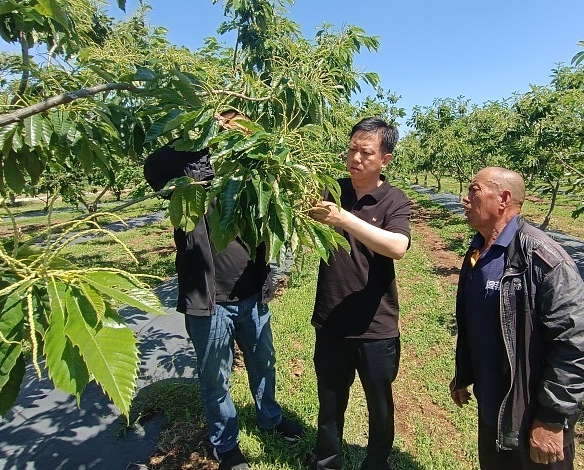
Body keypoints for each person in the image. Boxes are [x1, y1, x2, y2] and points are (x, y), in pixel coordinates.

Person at [143, 114, 303, 470]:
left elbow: (280, 207)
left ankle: (270, 418)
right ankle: (225, 443)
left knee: (264, 363)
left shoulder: (251, 167)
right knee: (216, 376)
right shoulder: (189, 172)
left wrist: (250, 132)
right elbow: (152, 168)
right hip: (209, 298)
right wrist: (198, 134)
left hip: (251, 294)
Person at [449, 167, 584, 470]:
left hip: (532, 418)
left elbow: (573, 345)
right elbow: (474, 324)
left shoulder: (542, 258)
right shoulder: (478, 251)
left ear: (502, 199)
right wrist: (464, 375)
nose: (465, 198)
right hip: (495, 413)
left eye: (473, 190)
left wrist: (552, 419)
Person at [307, 117, 412, 470]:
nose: (355, 158)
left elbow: (397, 246)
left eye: (366, 152)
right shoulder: (332, 190)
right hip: (332, 320)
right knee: (330, 401)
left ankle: (377, 463)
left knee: (379, 405)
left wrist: (343, 220)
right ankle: (327, 463)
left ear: (386, 159)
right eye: (352, 149)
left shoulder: (394, 200)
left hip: (376, 326)